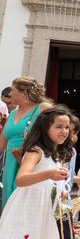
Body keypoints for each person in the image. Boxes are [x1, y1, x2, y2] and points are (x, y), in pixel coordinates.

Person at [0, 105, 73, 239]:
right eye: (59, 126)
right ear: (45, 128)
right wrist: (49, 174)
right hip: (24, 216)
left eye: (67, 127)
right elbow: (21, 179)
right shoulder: (35, 151)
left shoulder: (55, 154)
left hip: (39, 218)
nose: (64, 131)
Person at [0, 77, 51, 208]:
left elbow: (53, 135)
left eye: (12, 90)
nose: (10, 93)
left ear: (24, 92)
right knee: (8, 206)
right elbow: (1, 144)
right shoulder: (12, 114)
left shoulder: (43, 108)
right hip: (10, 165)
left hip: (31, 164)